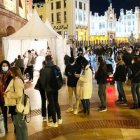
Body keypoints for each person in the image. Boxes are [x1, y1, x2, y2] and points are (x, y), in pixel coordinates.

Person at [4, 67, 28, 140]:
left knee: (20, 125)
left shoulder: (17, 80)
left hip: (17, 105)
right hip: (15, 105)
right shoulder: (16, 80)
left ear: (14, 72)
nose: (10, 73)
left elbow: (19, 94)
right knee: (17, 125)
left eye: (11, 72)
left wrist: (7, 94)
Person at [39, 55, 62, 127]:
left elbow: (42, 82)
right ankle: (60, 119)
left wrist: (45, 87)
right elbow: (60, 79)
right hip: (56, 88)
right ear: (52, 60)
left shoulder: (44, 70)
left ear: (46, 61)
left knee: (51, 104)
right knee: (56, 103)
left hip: (48, 89)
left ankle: (55, 122)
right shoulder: (56, 67)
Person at [0, 60, 12, 133]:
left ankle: (12, 127)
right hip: (0, 97)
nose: (5, 67)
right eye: (3, 66)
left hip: (9, 97)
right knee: (2, 113)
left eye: (6, 65)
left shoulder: (10, 75)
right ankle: (3, 128)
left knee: (10, 113)